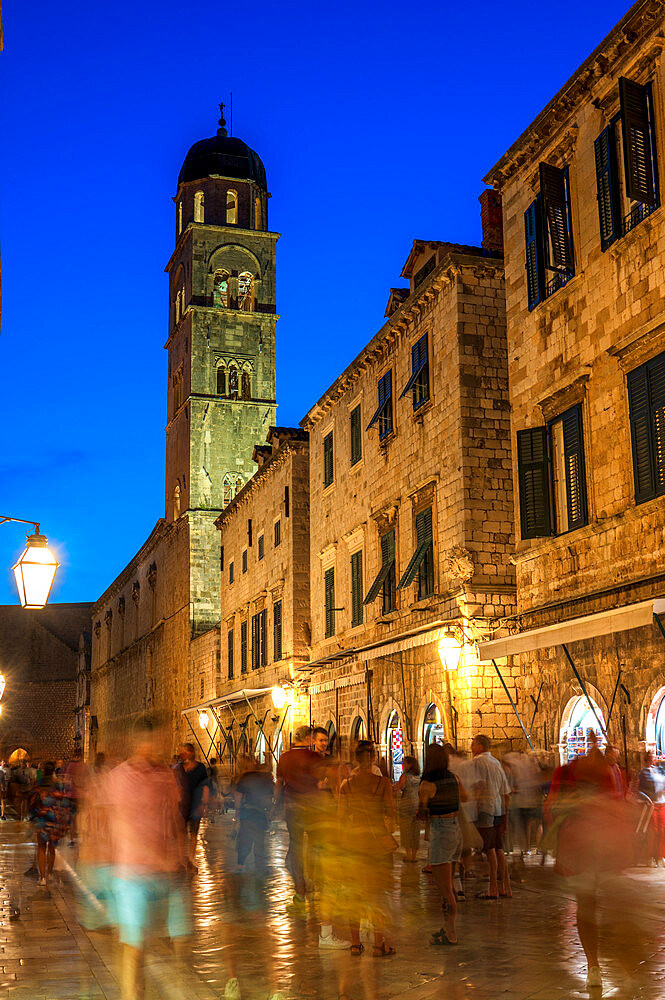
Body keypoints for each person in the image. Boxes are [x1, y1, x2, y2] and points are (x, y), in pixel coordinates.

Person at [105, 716, 191, 1000]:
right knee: (135, 948)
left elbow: (174, 816)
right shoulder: (119, 777)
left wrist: (182, 854)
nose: (162, 747)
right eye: (158, 741)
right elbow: (121, 826)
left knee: (177, 942)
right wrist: (159, 857)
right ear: (142, 741)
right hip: (131, 873)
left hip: (164, 873)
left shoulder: (165, 774)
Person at [339, 740, 396, 957]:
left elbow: (341, 818)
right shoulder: (383, 783)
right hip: (377, 846)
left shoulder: (347, 785)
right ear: (373, 758)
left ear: (355, 759)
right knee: (378, 894)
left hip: (353, 844)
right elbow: (391, 812)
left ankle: (355, 943)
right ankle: (379, 943)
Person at [418, 743, 466, 946]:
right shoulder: (454, 778)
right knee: (450, 885)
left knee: (444, 888)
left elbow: (422, 811)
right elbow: (465, 797)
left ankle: (452, 933)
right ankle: (447, 927)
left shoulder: (427, 784)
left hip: (441, 830)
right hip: (455, 830)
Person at [274, 725, 320, 909]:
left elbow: (279, 783)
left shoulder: (284, 758)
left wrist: (276, 804)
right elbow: (321, 782)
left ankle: (299, 887)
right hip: (313, 808)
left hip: (292, 807)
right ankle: (313, 881)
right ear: (308, 738)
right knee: (315, 845)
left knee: (296, 846)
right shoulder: (315, 757)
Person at [471, 734, 511, 899]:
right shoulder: (496, 762)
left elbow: (480, 785)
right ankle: (506, 886)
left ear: (480, 746)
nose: (471, 748)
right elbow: (505, 792)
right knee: (499, 848)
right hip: (497, 808)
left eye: (473, 744)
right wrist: (505, 815)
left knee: (490, 850)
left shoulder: (478, 762)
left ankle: (493, 888)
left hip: (484, 809)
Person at [28, 760, 71, 886]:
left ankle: (42, 878)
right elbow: (63, 803)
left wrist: (32, 817)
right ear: (53, 771)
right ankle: (50, 873)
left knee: (41, 848)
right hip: (54, 821)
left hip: (41, 821)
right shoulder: (58, 785)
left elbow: (31, 803)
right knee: (52, 849)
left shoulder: (38, 784)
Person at [174, 743, 210, 872]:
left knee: (194, 833)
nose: (181, 754)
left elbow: (205, 786)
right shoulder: (178, 768)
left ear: (191, 753)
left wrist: (204, 804)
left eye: (184, 751)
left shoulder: (200, 768)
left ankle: (190, 860)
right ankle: (180, 861)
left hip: (195, 804)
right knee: (181, 834)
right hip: (182, 804)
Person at [234, 758, 274, 871]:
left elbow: (238, 795)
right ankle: (258, 867)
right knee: (259, 841)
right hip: (260, 814)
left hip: (247, 813)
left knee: (244, 839)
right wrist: (270, 813)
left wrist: (237, 810)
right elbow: (270, 799)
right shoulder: (266, 779)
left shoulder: (246, 777)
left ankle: (240, 864)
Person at [396, 756, 421, 862]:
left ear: (410, 765)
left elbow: (399, 787)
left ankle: (409, 855)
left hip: (406, 804)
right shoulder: (419, 777)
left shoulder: (405, 776)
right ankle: (414, 856)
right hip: (417, 804)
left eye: (404, 763)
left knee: (406, 830)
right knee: (415, 830)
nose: (403, 765)